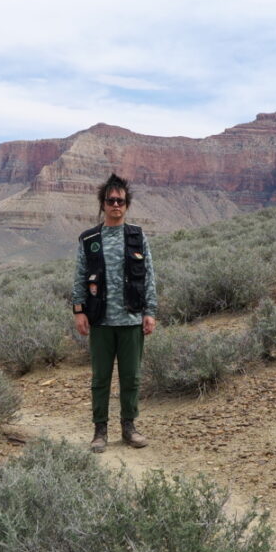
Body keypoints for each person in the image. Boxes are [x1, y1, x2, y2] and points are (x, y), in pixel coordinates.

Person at [72, 173, 158, 452]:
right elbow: (80, 276)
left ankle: (129, 428)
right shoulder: (89, 239)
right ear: (103, 204)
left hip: (132, 319)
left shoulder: (137, 236)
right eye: (110, 200)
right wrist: (79, 311)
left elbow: (148, 276)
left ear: (127, 205)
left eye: (120, 200)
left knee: (131, 377)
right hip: (101, 320)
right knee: (100, 379)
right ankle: (100, 431)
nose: (116, 205)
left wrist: (150, 311)